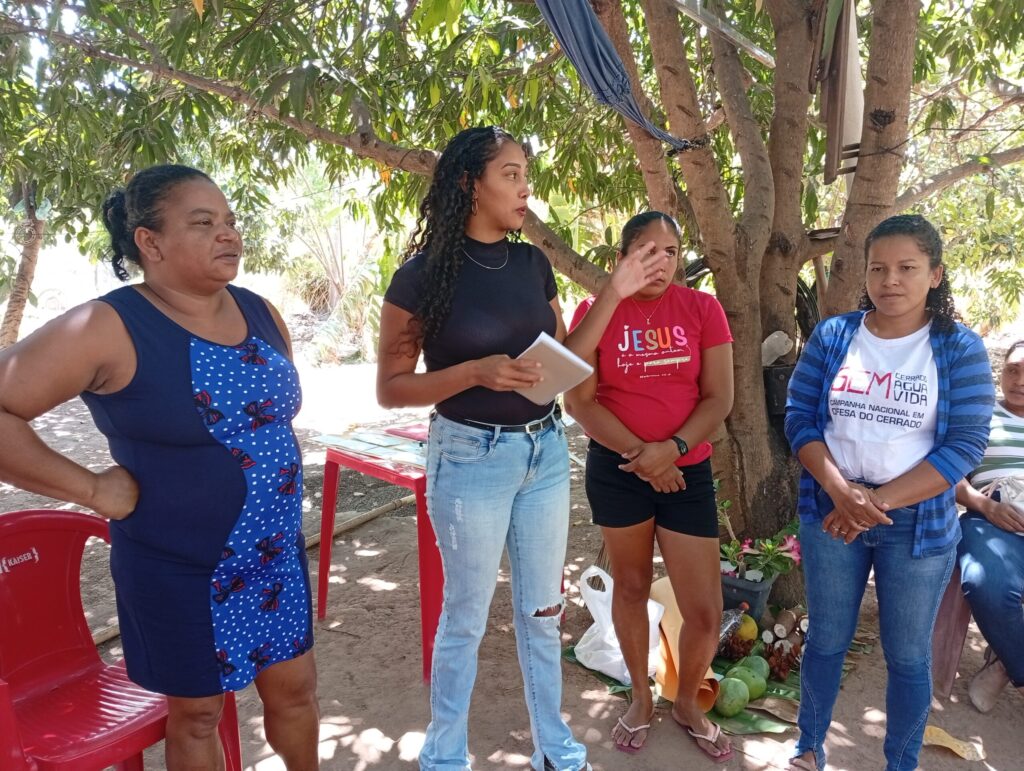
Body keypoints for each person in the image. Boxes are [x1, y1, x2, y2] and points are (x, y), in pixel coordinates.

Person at [0, 165, 319, 771]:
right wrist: (93, 488)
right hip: (178, 566)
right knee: (197, 715)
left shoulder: (260, 312)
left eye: (229, 221)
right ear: (150, 242)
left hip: (274, 553)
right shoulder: (108, 326)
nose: (228, 234)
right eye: (203, 223)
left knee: (296, 693)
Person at [375, 126, 663, 771]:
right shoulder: (419, 278)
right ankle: (444, 754)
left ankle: (553, 747)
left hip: (544, 453)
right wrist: (475, 372)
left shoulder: (532, 263)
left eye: (525, 174)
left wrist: (614, 292)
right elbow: (392, 389)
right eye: (510, 174)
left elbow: (568, 357)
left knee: (542, 610)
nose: (525, 186)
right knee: (466, 616)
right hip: (469, 455)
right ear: (468, 184)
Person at [784, 213, 994, 771]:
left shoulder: (959, 348)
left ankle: (900, 763)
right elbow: (799, 417)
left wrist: (870, 504)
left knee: (906, 655)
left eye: (907, 267)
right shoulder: (835, 335)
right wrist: (840, 491)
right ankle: (809, 748)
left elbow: (965, 445)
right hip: (831, 510)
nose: (890, 280)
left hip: (917, 524)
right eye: (878, 268)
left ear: (935, 274)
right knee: (826, 639)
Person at [563, 211, 734, 761]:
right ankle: (640, 696)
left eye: (671, 251)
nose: (660, 262)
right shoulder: (595, 312)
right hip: (620, 473)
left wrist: (673, 450)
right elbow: (579, 401)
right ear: (622, 258)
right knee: (632, 587)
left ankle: (686, 703)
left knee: (704, 609)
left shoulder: (702, 309)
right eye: (646, 251)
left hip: (687, 471)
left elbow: (719, 399)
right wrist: (646, 457)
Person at [955, 339, 1024, 712]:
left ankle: (1002, 665)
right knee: (986, 584)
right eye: (1013, 369)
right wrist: (986, 506)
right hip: (992, 520)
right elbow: (947, 475)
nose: (1020, 380)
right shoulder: (981, 416)